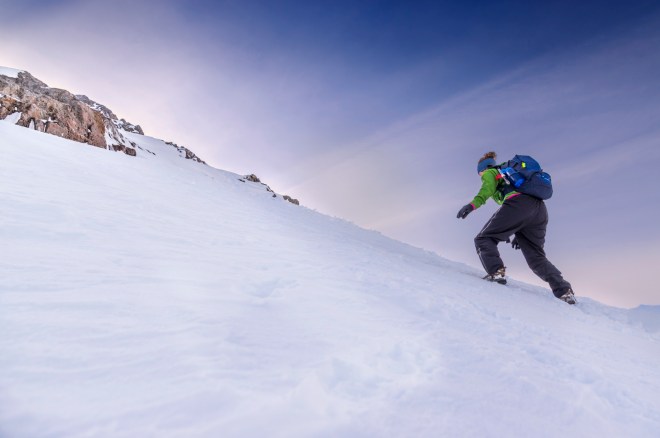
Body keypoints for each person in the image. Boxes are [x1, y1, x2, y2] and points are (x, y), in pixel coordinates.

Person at [456, 152, 576, 305]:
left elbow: (486, 191)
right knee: (536, 257)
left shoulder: (491, 172)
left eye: (479, 173)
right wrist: (519, 230)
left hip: (518, 204)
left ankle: (496, 272)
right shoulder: (512, 175)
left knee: (484, 239)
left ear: (482, 169)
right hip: (540, 210)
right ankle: (564, 291)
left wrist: (472, 205)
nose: (480, 176)